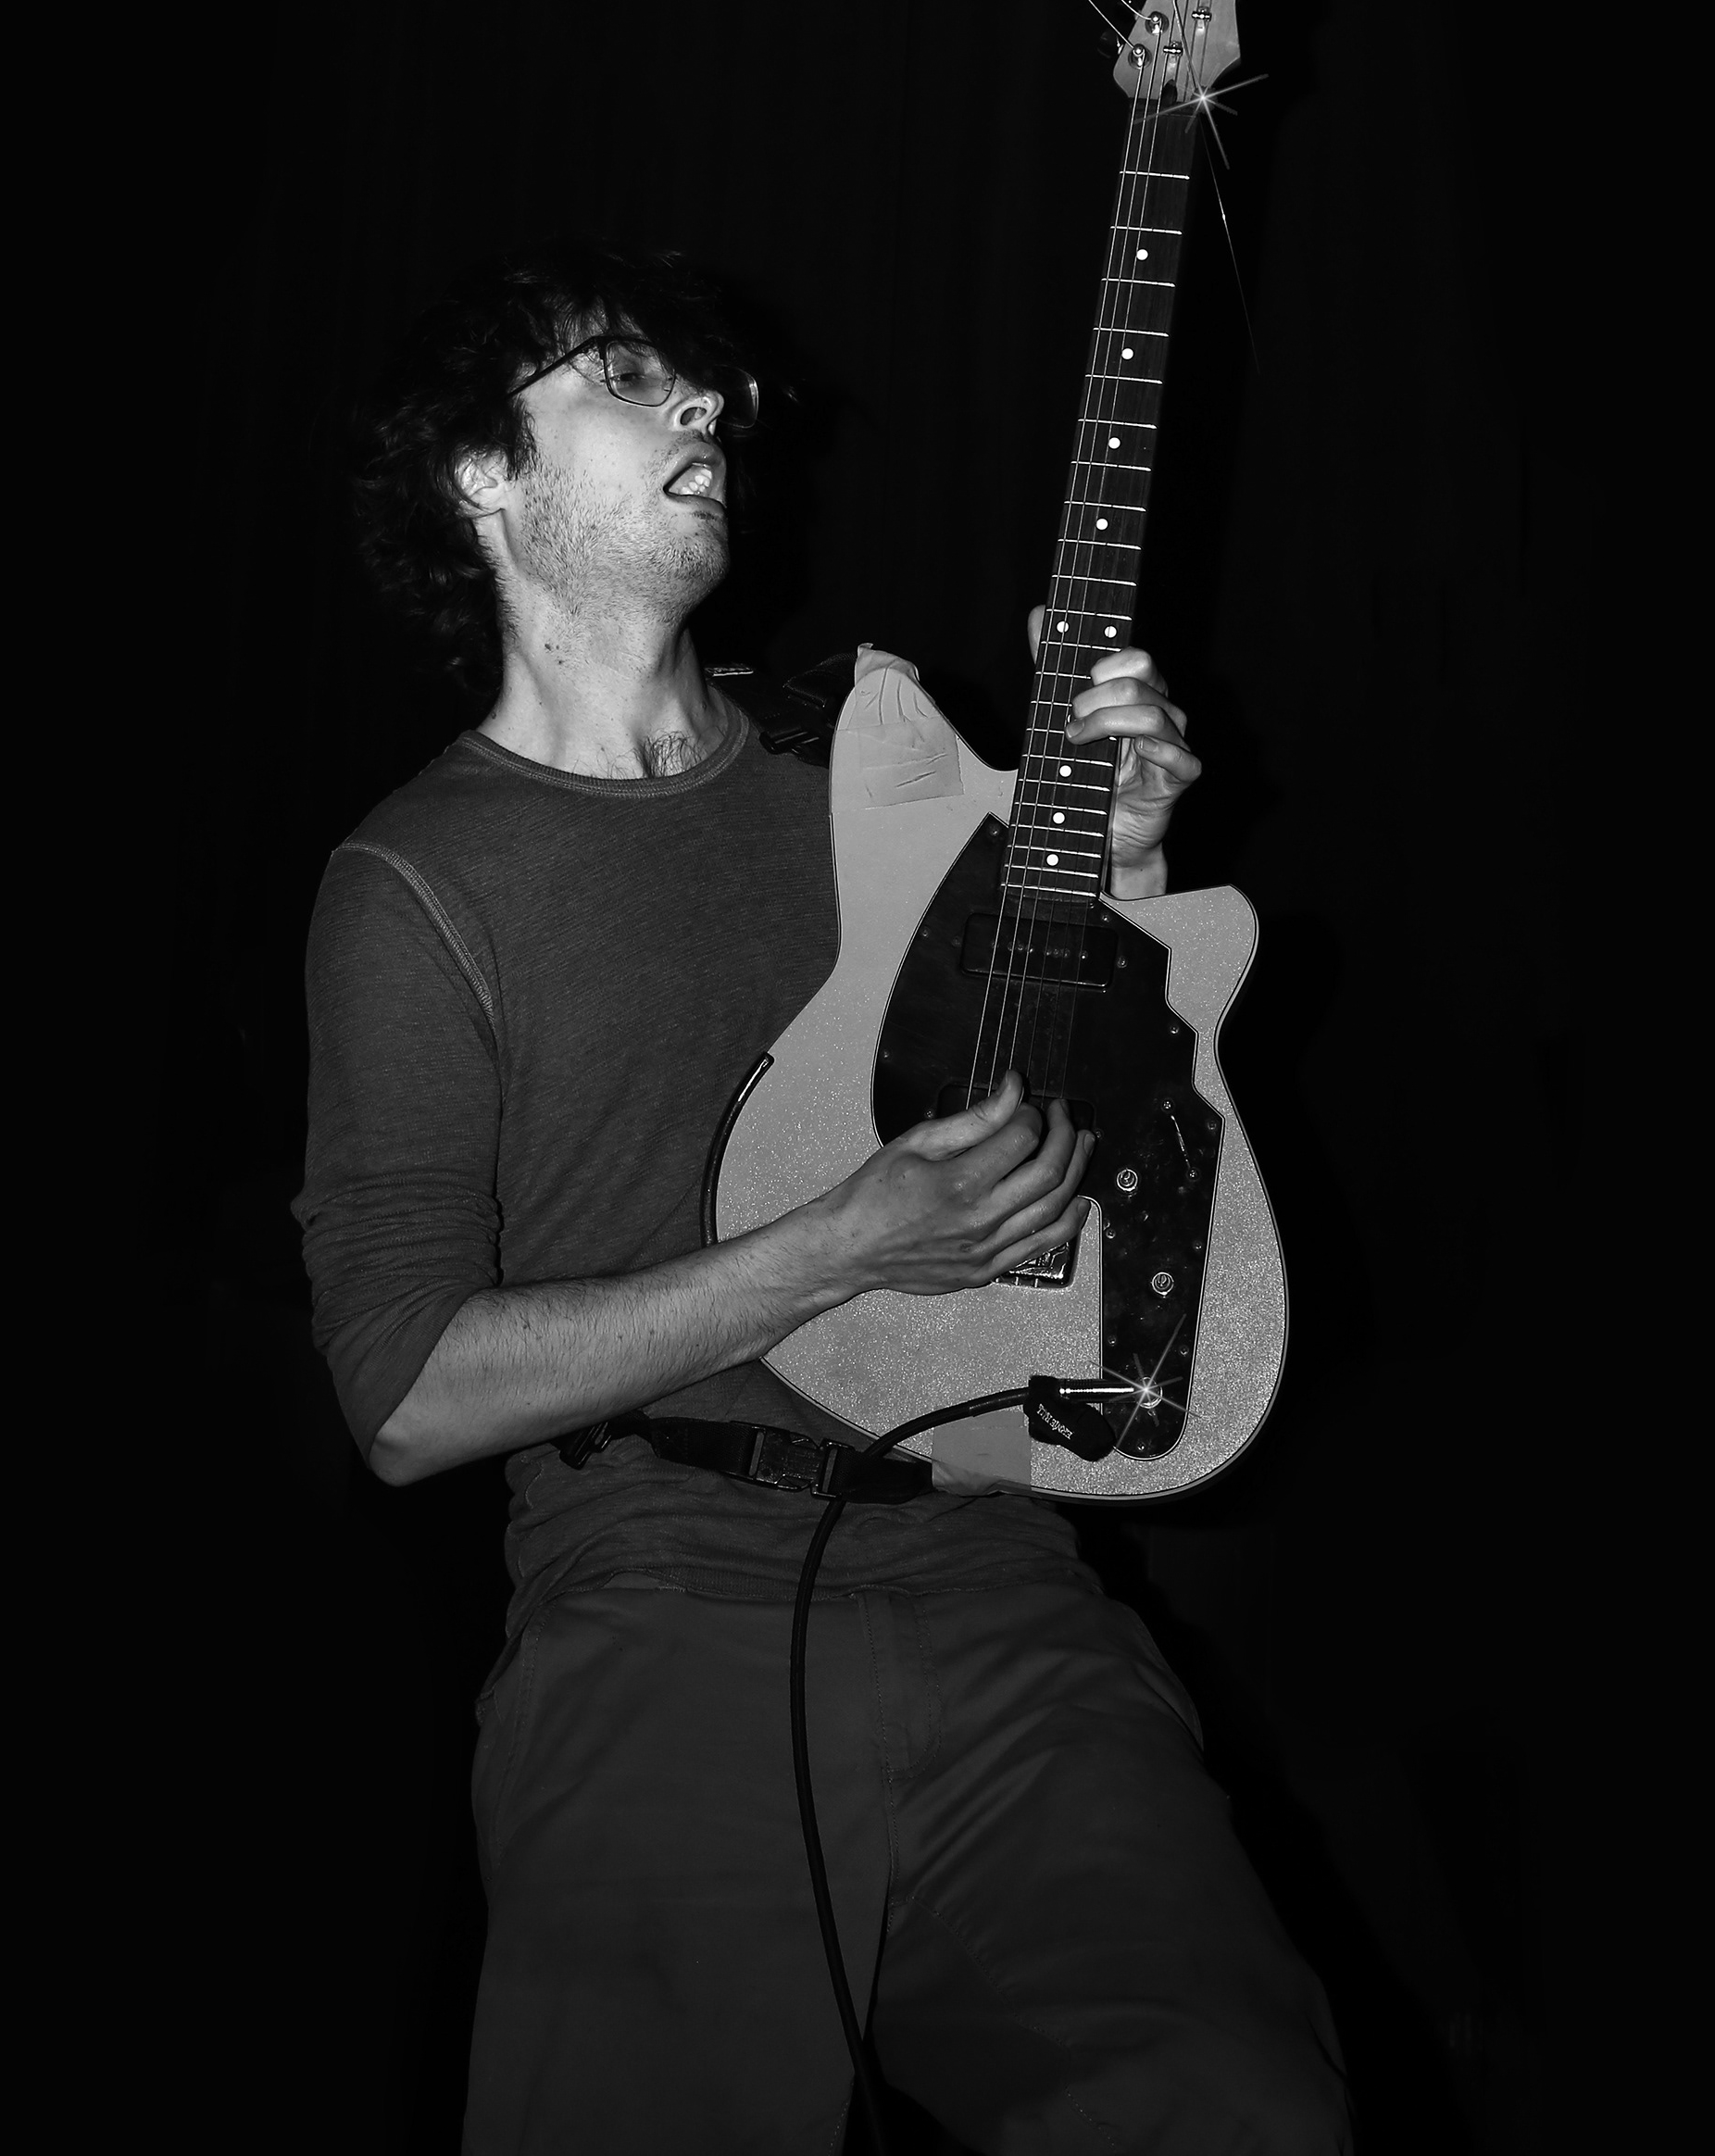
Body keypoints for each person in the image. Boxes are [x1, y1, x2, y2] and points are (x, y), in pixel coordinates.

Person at [296, 237, 1352, 2153]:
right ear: (482, 476)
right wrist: (834, 1252)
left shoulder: (874, 771)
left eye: (706, 380)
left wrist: (1115, 871)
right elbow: (404, 1395)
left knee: (1238, 2106)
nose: (702, 400)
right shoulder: (414, 884)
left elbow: (1074, 1132)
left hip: (1003, 1571)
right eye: (624, 375)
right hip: (655, 1596)